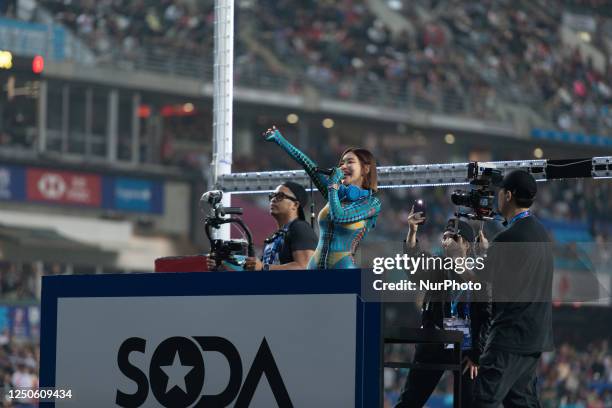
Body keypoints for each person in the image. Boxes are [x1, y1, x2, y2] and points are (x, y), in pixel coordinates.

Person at [473, 170, 554, 407]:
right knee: (522, 403)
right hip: (534, 338)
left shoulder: (507, 238)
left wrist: (456, 259)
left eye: (499, 193)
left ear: (508, 195)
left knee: (483, 400)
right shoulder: (542, 234)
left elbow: (478, 280)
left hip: (509, 337)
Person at [395, 211, 490, 408]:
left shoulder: (481, 273)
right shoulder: (437, 266)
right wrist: (412, 232)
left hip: (467, 349)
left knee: (468, 403)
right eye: (444, 237)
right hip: (434, 343)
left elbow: (487, 315)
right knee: (409, 401)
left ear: (467, 244)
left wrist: (477, 355)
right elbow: (413, 264)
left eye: (453, 237)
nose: (446, 241)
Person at [264, 126, 381, 269]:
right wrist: (280, 140)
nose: (343, 166)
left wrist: (332, 186)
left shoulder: (371, 203)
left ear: (366, 169)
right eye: (341, 163)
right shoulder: (336, 194)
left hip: (342, 267)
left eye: (350, 162)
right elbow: (308, 165)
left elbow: (339, 217)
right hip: (314, 266)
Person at [207, 181, 317, 271]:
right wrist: (222, 266)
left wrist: (264, 267)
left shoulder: (300, 228)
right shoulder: (275, 237)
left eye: (280, 196)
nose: (273, 199)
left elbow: (305, 267)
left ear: (295, 205)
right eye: (272, 196)